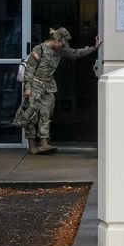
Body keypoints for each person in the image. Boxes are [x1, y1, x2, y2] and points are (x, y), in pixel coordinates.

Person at [22, 27, 102, 155]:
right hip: (34, 86)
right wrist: (27, 88)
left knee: (46, 114)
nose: (63, 46)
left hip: (48, 86)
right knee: (32, 116)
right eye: (62, 43)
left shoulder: (60, 50)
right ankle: (32, 143)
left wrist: (94, 48)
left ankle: (44, 142)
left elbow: (75, 53)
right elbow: (29, 69)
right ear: (56, 39)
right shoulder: (39, 49)